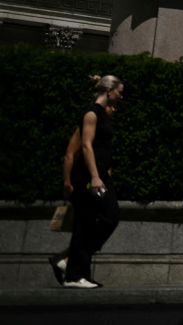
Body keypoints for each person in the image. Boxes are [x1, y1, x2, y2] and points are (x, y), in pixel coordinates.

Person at [53, 75, 125, 288]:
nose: (121, 96)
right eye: (120, 92)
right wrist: (94, 176)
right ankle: (75, 274)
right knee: (91, 220)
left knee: (103, 218)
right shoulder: (92, 114)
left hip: (100, 174)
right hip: (88, 177)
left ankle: (71, 263)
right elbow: (85, 146)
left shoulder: (102, 114)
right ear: (110, 92)